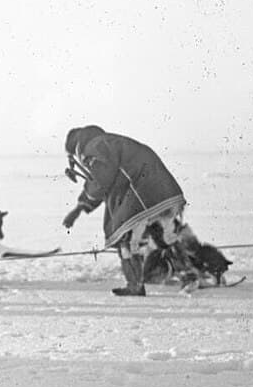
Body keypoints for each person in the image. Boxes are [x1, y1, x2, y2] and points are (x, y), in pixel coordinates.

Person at [61, 125, 195, 296]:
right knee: (164, 234)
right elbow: (107, 178)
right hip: (163, 191)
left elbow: (101, 180)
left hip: (140, 195)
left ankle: (135, 285)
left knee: (125, 237)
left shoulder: (93, 147)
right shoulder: (111, 142)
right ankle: (190, 275)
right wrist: (82, 205)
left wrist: (81, 205)